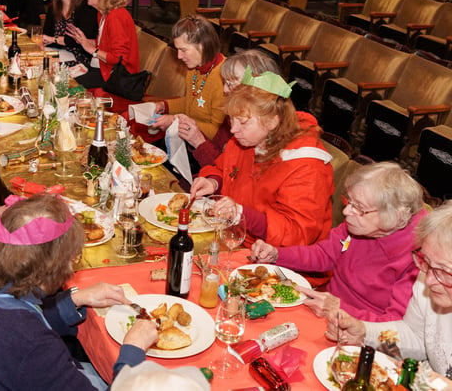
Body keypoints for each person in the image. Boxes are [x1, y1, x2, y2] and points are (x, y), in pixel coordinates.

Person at [0, 193, 158, 390]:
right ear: (54, 267)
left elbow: (26, 320)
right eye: (72, 258)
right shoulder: (34, 347)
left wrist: (76, 299)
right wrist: (133, 350)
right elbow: (28, 339)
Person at [250, 162, 425, 321]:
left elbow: (396, 327)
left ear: (392, 217)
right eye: (349, 202)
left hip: (360, 330)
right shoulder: (362, 223)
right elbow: (324, 254)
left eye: (358, 207)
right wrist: (277, 254)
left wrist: (340, 309)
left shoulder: (420, 257)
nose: (347, 211)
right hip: (322, 309)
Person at [190, 68, 333, 249]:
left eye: (243, 122)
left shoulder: (306, 166)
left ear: (272, 121)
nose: (233, 130)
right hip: (235, 236)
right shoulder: (247, 140)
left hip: (281, 260)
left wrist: (241, 214)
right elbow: (221, 167)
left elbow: (296, 233)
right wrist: (214, 182)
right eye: (231, 120)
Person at [325, 202, 452, 387]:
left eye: (443, 271)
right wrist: (365, 332)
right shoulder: (428, 276)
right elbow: (415, 335)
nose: (430, 279)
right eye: (427, 262)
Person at [149, 16, 226, 174]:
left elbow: (216, 132)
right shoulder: (195, 68)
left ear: (203, 46)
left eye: (183, 50)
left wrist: (175, 121)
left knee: (155, 169)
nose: (178, 56)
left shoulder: (223, 78)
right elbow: (193, 102)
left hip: (207, 150)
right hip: (186, 139)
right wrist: (165, 106)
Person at [189, 49, 281, 169]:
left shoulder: (260, 133)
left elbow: (229, 172)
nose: (225, 90)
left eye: (231, 83)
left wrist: (198, 142)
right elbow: (220, 161)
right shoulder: (235, 115)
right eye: (225, 82)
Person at [66, 0, 140, 92]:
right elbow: (106, 43)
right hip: (101, 68)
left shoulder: (116, 17)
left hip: (114, 76)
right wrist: (84, 41)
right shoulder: (102, 13)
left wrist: (91, 50)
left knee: (67, 88)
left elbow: (119, 58)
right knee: (63, 78)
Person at [41, 0, 98, 67]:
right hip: (59, 52)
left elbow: (78, 41)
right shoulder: (53, 8)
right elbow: (47, 35)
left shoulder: (86, 7)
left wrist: (52, 39)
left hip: (80, 57)